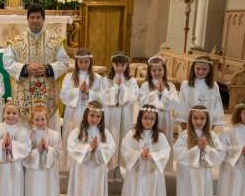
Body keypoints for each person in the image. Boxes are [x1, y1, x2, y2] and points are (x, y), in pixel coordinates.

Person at [3, 4, 69, 130]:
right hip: (24, 93)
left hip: (48, 92)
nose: (35, 20)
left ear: (43, 19)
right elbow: (8, 62)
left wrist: (49, 68)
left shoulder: (55, 40)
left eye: (38, 17)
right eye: (32, 17)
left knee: (49, 132)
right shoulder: (16, 41)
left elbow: (64, 62)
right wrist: (25, 69)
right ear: (27, 20)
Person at [65, 100, 116, 196]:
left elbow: (110, 148)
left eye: (98, 117)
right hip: (82, 171)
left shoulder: (105, 133)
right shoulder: (78, 132)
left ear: (102, 118)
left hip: (97, 172)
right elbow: (72, 148)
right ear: (86, 115)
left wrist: (98, 148)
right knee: (83, 194)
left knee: (95, 195)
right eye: (92, 115)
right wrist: (88, 148)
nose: (94, 119)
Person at [173, 105, 225, 196]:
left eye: (202, 118)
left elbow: (220, 153)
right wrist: (197, 149)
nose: (198, 121)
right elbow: (178, 153)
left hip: (203, 174)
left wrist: (206, 148)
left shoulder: (211, 135)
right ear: (190, 119)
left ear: (207, 119)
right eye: (195, 118)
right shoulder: (185, 135)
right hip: (188, 174)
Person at [120, 105, 171, 196]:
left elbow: (165, 152)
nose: (148, 121)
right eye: (145, 118)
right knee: (137, 193)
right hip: (137, 171)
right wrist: (138, 155)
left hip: (152, 173)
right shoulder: (132, 134)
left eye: (152, 119)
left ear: (156, 120)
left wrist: (153, 156)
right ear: (140, 118)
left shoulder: (159, 136)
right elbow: (125, 149)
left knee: (149, 194)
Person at [60, 48, 103, 169]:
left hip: (90, 113)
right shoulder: (69, 77)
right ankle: (69, 165)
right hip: (74, 112)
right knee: (73, 135)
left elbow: (102, 98)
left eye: (86, 62)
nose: (84, 65)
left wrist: (90, 92)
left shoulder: (98, 78)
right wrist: (78, 91)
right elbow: (63, 95)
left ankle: (87, 160)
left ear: (90, 62)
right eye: (81, 62)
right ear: (76, 63)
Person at [23, 104, 62, 196]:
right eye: (37, 120)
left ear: (47, 119)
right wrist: (37, 151)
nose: (40, 123)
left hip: (49, 174)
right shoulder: (29, 135)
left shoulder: (55, 135)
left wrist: (48, 150)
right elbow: (25, 155)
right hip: (34, 174)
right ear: (32, 120)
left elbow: (58, 153)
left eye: (42, 119)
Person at [101, 52, 139, 180]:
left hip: (125, 115)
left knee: (123, 139)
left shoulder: (131, 81)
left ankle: (120, 169)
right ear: (113, 65)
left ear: (127, 65)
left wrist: (121, 86)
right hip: (111, 116)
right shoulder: (106, 80)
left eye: (122, 65)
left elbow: (131, 97)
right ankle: (110, 168)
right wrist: (115, 87)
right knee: (111, 139)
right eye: (117, 65)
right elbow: (104, 97)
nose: (119, 68)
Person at [138, 55, 179, 144]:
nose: (157, 73)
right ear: (150, 72)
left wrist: (164, 92)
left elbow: (175, 103)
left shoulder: (170, 86)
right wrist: (155, 92)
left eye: (160, 70)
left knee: (165, 141)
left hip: (165, 118)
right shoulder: (146, 85)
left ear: (164, 70)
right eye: (154, 70)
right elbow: (142, 102)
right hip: (150, 119)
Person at [176, 56, 225, 130]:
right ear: (193, 68)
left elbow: (217, 104)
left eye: (204, 69)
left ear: (209, 70)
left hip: (206, 122)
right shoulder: (186, 84)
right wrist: (183, 122)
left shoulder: (213, 86)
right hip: (189, 122)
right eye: (198, 68)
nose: (201, 72)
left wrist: (213, 123)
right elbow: (181, 103)